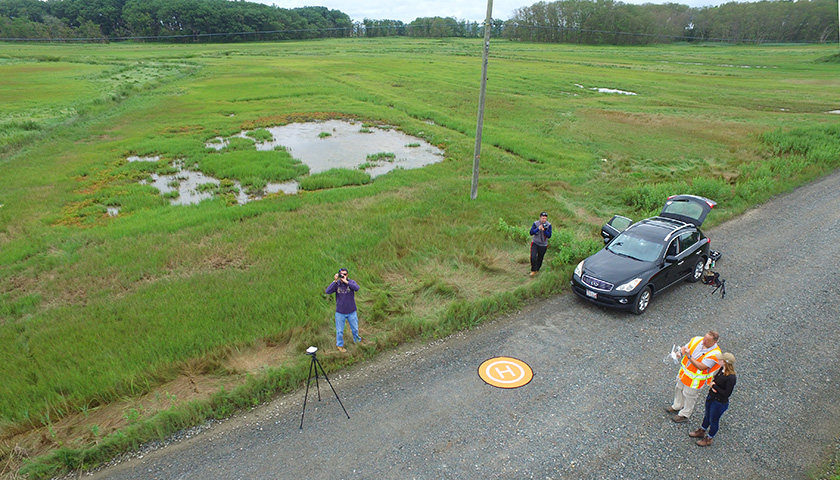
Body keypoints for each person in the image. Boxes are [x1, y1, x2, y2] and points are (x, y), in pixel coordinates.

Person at [667, 331, 722, 423]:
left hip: (695, 381)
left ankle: (685, 414)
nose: (703, 341)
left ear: (714, 342)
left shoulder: (715, 355)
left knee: (689, 396)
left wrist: (689, 357)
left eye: (707, 341)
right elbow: (686, 347)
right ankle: (677, 405)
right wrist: (680, 353)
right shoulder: (697, 339)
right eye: (704, 338)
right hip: (684, 374)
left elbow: (701, 367)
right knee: (679, 389)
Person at [690, 352, 737, 447]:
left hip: (719, 402)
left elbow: (727, 393)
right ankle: (702, 430)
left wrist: (714, 386)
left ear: (725, 362)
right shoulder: (721, 369)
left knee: (713, 420)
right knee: (707, 415)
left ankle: (709, 438)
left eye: (720, 360)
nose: (718, 361)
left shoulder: (731, 378)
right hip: (712, 397)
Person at [325, 268, 361, 352]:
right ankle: (340, 345)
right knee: (340, 331)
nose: (343, 276)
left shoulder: (351, 282)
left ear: (347, 275)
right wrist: (334, 281)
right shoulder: (336, 284)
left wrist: (346, 282)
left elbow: (357, 288)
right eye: (341, 274)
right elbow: (328, 291)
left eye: (345, 274)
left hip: (351, 311)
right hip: (340, 312)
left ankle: (357, 341)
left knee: (355, 328)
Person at [529, 212, 552, 276]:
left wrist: (544, 230)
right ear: (540, 218)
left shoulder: (549, 225)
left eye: (545, 218)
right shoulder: (536, 223)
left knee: (540, 258)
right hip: (535, 243)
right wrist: (537, 229)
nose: (544, 220)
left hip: (543, 244)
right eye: (543, 218)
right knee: (533, 257)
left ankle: (537, 269)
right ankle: (533, 270)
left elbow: (549, 235)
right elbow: (531, 232)